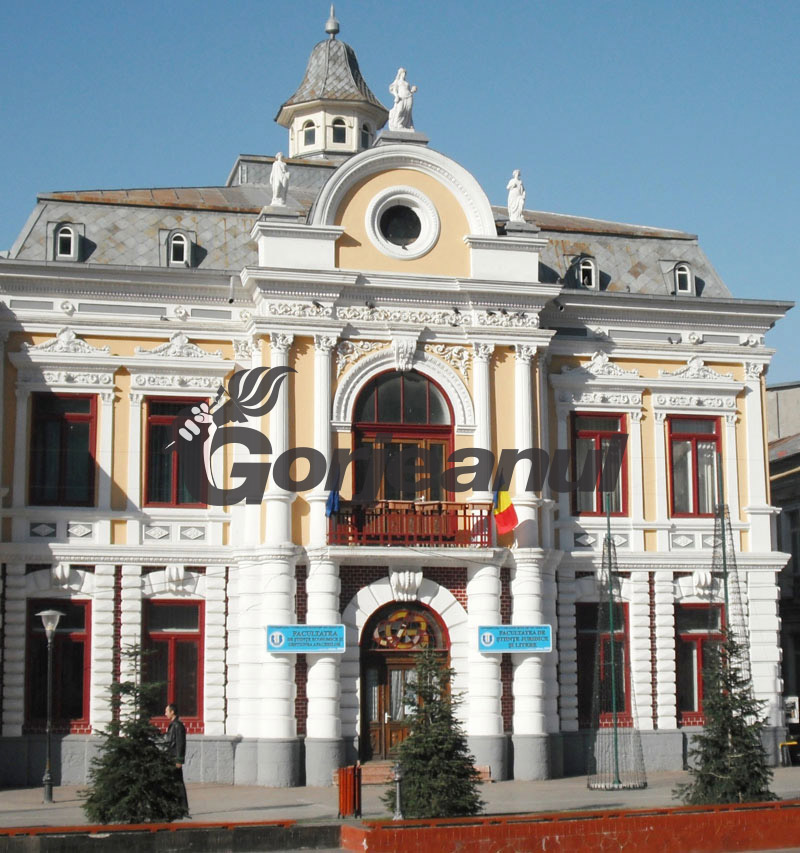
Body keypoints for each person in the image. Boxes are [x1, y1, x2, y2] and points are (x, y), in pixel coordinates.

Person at [165, 703, 189, 814]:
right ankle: (176, 807)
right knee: (173, 782)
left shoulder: (178, 726)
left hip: (174, 758)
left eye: (167, 711)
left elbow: (180, 743)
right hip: (171, 757)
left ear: (172, 712)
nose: (165, 714)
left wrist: (179, 760)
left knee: (178, 783)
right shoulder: (173, 725)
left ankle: (183, 808)